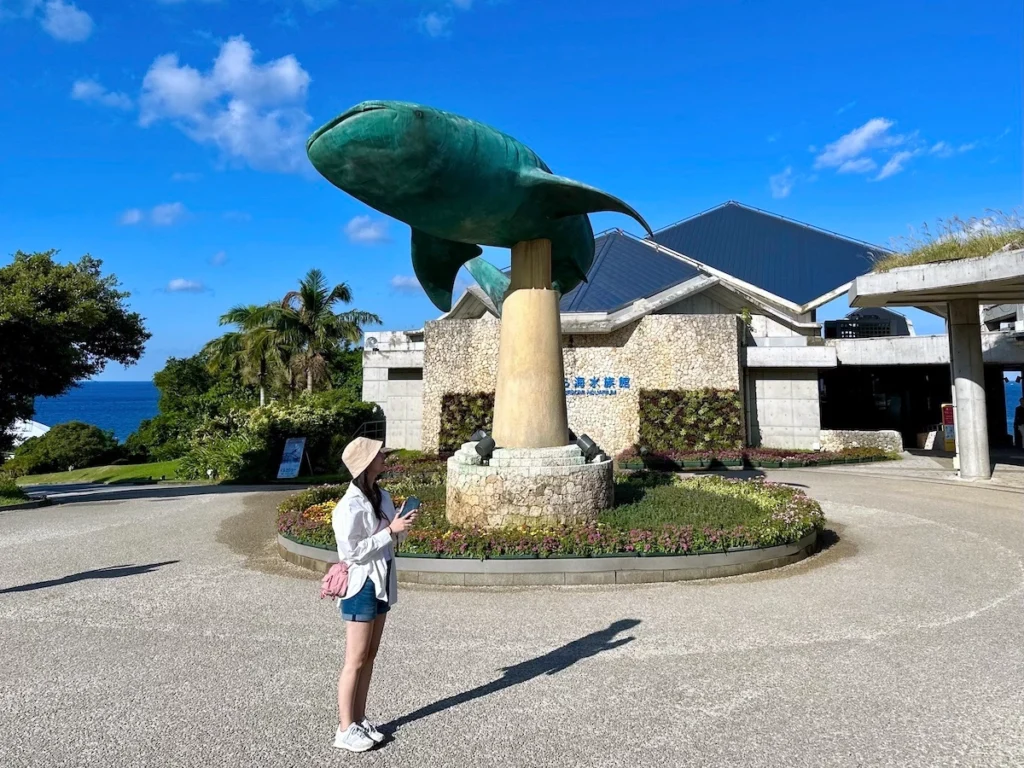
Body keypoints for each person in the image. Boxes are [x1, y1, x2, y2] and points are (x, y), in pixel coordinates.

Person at [331, 437, 417, 752]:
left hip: (381, 581)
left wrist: (401, 525)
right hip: (360, 584)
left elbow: (392, 538)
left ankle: (359, 718)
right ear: (366, 464)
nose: (384, 457)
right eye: (379, 455)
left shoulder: (383, 496)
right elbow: (351, 552)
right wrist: (389, 531)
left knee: (370, 654)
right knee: (354, 659)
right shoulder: (348, 506)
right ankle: (345, 728)